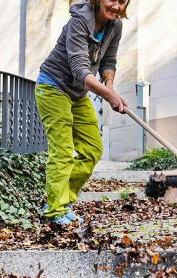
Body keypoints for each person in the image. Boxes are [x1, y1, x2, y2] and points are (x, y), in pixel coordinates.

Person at [35, 0, 130, 225]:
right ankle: (55, 211)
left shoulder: (115, 25)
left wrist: (110, 86)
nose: (116, 6)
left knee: (93, 149)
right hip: (52, 87)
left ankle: (58, 200)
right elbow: (79, 69)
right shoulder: (79, 22)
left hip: (77, 94)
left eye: (123, 1)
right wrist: (108, 96)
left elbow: (108, 61)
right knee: (63, 151)